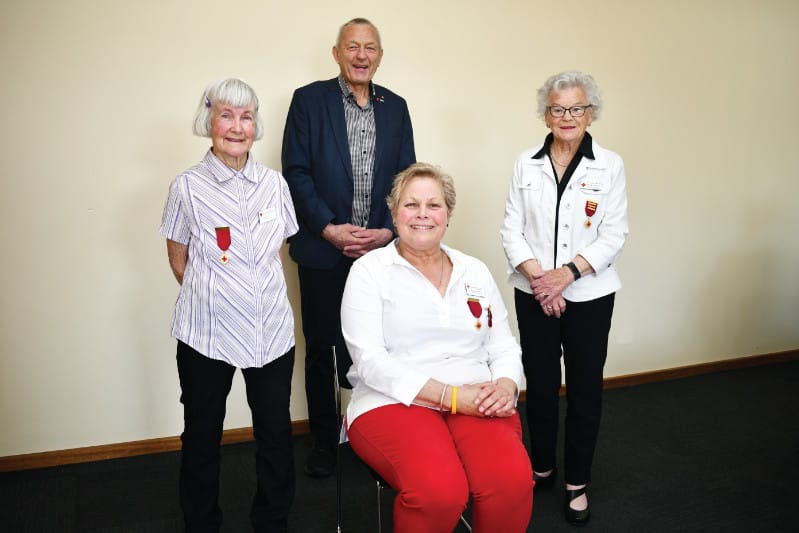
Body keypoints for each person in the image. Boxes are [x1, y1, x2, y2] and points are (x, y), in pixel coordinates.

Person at [341, 163, 533, 533]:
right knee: (438, 492)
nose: (423, 214)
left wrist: (506, 385)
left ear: (448, 214)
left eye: (434, 205)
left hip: (476, 394)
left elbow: (504, 345)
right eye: (411, 205)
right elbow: (371, 362)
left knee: (510, 482)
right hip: (392, 400)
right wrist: (453, 397)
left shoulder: (474, 270)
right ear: (394, 213)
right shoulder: (369, 271)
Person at [160, 78, 299, 533]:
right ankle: (201, 524)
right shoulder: (186, 187)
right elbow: (178, 259)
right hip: (206, 333)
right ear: (209, 121)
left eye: (246, 116)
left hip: (271, 331)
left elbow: (277, 251)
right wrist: (220, 295)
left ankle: (272, 522)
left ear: (256, 125)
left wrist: (253, 293)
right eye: (226, 115)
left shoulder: (275, 185)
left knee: (276, 436)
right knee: (202, 437)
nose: (237, 127)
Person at [281, 17, 415, 478]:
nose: (361, 55)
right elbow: (295, 172)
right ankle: (323, 440)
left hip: (379, 252)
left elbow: (407, 178)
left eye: (370, 48)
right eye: (352, 47)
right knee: (322, 347)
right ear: (337, 53)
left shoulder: (396, 107)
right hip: (323, 250)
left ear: (380, 56)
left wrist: (388, 231)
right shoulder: (308, 101)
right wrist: (328, 228)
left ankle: (372, 433)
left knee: (376, 345)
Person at [500, 71, 629, 525]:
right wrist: (542, 281)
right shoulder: (526, 163)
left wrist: (566, 275)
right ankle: (541, 466)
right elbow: (511, 229)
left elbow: (614, 234)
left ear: (591, 114)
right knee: (538, 383)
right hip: (533, 290)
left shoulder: (609, 165)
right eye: (558, 108)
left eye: (576, 108)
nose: (567, 116)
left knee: (584, 389)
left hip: (589, 294)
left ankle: (577, 481)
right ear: (546, 114)